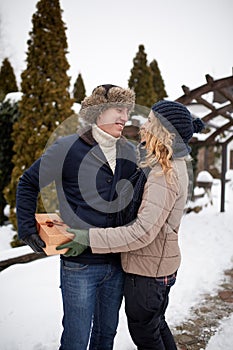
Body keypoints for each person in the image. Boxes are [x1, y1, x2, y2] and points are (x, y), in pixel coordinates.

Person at [57, 100, 205, 350]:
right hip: (158, 264)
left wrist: (88, 237)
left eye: (150, 121)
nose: (143, 124)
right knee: (156, 325)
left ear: (162, 130)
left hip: (148, 271)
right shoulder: (165, 164)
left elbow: (141, 233)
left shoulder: (163, 174)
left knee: (146, 334)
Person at [16, 84, 137, 350]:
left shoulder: (129, 152)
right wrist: (26, 228)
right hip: (79, 264)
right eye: (119, 109)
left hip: (117, 262)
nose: (125, 117)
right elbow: (27, 183)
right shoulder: (66, 148)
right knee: (76, 340)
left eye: (127, 111)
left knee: (106, 336)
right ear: (98, 111)